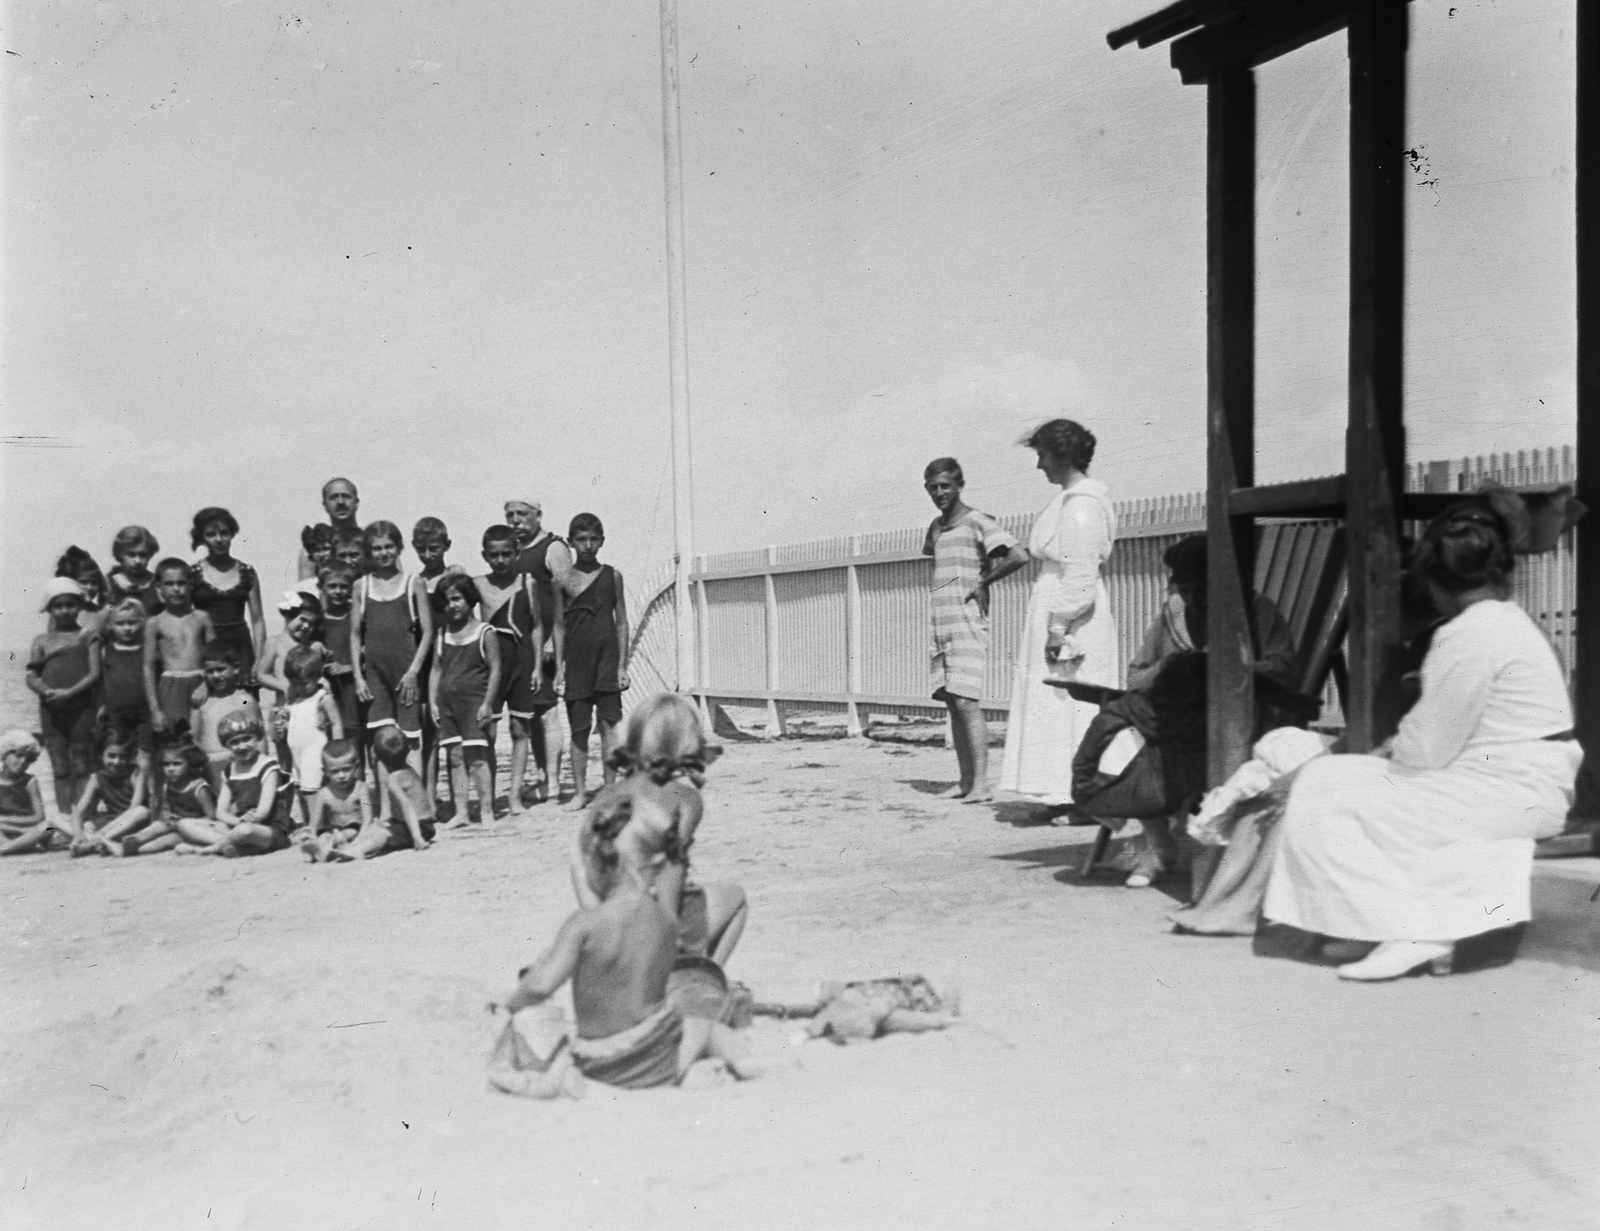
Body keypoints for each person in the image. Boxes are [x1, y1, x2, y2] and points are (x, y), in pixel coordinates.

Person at [1259, 501, 1584, 981]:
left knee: (1324, 786)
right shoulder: (1506, 621)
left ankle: (1416, 931)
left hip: (1509, 790)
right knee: (1345, 780)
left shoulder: (1469, 634)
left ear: (1433, 583)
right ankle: (1387, 923)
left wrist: (1382, 753)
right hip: (1520, 783)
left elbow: (1427, 748)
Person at [497, 794, 758, 1095]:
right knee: (708, 1029)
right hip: (654, 1064)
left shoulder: (583, 923)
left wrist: (511, 1001)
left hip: (597, 1062)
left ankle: (566, 1078)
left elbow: (540, 987)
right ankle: (745, 1063)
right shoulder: (661, 920)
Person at [572, 693, 746, 964]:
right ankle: (702, 976)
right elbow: (671, 868)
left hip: (611, 915)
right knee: (736, 898)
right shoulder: (685, 799)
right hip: (653, 921)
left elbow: (582, 865)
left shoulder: (607, 795)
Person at [999, 419, 1118, 810]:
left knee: (1073, 703)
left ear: (1063, 455)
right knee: (1055, 706)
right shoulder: (1069, 500)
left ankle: (1084, 799)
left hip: (1073, 620)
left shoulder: (1082, 505)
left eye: (1043, 455)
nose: (1039, 465)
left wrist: (1058, 625)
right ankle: (1063, 795)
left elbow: (1080, 573)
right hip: (1057, 608)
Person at [920, 457, 1029, 802]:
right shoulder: (936, 528)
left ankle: (982, 784)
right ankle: (966, 781)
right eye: (933, 487)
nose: (939, 493)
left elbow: (1018, 556)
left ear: (959, 485)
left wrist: (984, 580)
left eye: (945, 486)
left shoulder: (978, 520)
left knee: (967, 700)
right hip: (942, 621)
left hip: (968, 619)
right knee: (952, 701)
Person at [351, 521, 432, 803]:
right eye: (377, 548)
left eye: (388, 547)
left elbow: (428, 632)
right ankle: (387, 809)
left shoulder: (413, 583)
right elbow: (354, 634)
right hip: (374, 674)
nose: (384, 553)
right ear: (369, 553)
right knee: (381, 740)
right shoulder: (361, 586)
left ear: (398, 548)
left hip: (405, 672)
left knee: (411, 739)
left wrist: (413, 672)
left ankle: (418, 804)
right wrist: (359, 678)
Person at [554, 513, 629, 811]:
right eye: (581, 540)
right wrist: (559, 667)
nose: (587, 546)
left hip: (607, 662)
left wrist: (622, 665)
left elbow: (621, 622)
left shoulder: (613, 576)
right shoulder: (562, 580)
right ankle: (580, 792)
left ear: (602, 541)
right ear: (571, 542)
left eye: (593, 539)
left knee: (610, 726)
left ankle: (610, 790)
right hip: (577, 664)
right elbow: (558, 626)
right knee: (579, 729)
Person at [505, 498, 572, 802]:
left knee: (547, 713)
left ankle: (555, 781)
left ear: (538, 515)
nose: (515, 521)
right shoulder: (513, 550)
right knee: (529, 715)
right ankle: (544, 778)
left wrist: (552, 644)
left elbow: (570, 597)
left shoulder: (553, 548)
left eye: (522, 514)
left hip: (546, 647)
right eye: (510, 516)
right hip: (523, 648)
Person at [476, 524, 542, 814]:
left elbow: (538, 626)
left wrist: (538, 666)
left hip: (521, 663)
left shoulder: (528, 582)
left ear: (517, 553)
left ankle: (514, 795)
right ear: (485, 555)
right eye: (494, 555)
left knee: (519, 728)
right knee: (487, 731)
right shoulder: (477, 584)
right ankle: (488, 798)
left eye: (506, 554)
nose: (500, 561)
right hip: (491, 665)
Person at [430, 573, 503, 827]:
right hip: (448, 706)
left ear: (469, 599)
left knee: (478, 758)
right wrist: (433, 702)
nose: (452, 605)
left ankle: (486, 810)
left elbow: (495, 669)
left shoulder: (485, 632)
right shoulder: (442, 634)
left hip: (474, 704)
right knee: (455, 758)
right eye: (447, 601)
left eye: (457, 598)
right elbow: (436, 670)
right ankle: (461, 811)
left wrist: (487, 704)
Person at [27, 577, 102, 815]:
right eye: (58, 606)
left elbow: (94, 674)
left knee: (82, 767)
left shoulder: (88, 636)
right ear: (49, 609)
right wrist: (48, 692)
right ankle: (64, 820)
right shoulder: (41, 641)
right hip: (52, 711)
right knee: (60, 768)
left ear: (79, 606)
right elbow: (31, 676)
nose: (65, 610)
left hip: (81, 710)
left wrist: (69, 693)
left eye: (70, 604)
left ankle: (84, 817)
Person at [175, 711, 291, 856]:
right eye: (234, 742)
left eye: (246, 739)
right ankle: (234, 846)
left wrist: (244, 823)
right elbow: (221, 811)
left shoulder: (268, 766)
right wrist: (237, 820)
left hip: (268, 829)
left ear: (257, 737)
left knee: (246, 831)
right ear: (227, 745)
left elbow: (263, 811)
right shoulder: (230, 771)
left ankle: (208, 849)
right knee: (185, 824)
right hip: (239, 824)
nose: (241, 746)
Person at [330, 726, 434, 859]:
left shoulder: (394, 779)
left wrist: (417, 837)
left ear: (373, 752)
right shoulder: (409, 771)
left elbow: (407, 805)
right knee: (376, 827)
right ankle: (349, 847)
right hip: (412, 823)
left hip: (421, 827)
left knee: (382, 833)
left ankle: (359, 850)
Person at [189, 507, 265, 682]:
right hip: (208, 646)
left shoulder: (247, 572)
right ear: (202, 538)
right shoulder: (193, 573)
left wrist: (259, 660)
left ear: (232, 535)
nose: (218, 540)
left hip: (241, 647)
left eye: (224, 533)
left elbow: (258, 620)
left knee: (245, 699)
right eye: (211, 534)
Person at [97, 740, 212, 857]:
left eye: (177, 764)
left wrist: (185, 823)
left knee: (163, 842)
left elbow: (211, 817)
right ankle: (134, 840)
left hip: (189, 830)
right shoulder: (167, 786)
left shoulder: (199, 788)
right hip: (171, 826)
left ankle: (125, 848)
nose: (170, 768)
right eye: (166, 764)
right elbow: (165, 809)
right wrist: (166, 815)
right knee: (158, 825)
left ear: (191, 765)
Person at [142, 560, 215, 739]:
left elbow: (215, 655)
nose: (176, 589)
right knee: (175, 742)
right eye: (170, 584)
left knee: (203, 738)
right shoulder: (154, 623)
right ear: (159, 587)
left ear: (191, 585)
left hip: (200, 682)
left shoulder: (202, 618)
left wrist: (207, 685)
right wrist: (155, 710)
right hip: (171, 686)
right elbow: (148, 667)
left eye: (181, 583)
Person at [279, 645, 344, 825]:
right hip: (297, 754)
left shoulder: (322, 698)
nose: (299, 688)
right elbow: (291, 719)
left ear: (317, 677)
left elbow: (337, 723)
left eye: (303, 683)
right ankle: (309, 825)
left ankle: (318, 827)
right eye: (294, 683)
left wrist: (337, 749)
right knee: (300, 789)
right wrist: (284, 721)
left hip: (314, 752)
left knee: (312, 791)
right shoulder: (294, 697)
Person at [190, 644, 264, 789]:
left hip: (239, 763)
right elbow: (194, 738)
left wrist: (261, 769)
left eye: (221, 669)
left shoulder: (244, 700)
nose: (216, 675)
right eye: (210, 671)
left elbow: (259, 737)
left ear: (236, 668)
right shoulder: (202, 702)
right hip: (209, 766)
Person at [68, 730, 149, 855]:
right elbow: (79, 810)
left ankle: (94, 843)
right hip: (110, 825)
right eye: (111, 756)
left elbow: (134, 808)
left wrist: (102, 832)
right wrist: (78, 834)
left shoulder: (136, 773)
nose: (116, 762)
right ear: (101, 755)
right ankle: (93, 841)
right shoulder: (97, 778)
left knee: (142, 812)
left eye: (123, 757)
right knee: (56, 819)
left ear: (130, 757)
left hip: (131, 825)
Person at [98, 598, 154, 770]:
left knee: (145, 757)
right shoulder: (105, 649)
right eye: (120, 623)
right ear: (110, 626)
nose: (127, 628)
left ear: (143, 622)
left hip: (145, 712)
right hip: (115, 712)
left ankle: (148, 795)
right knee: (119, 756)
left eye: (132, 623)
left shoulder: (148, 649)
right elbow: (101, 681)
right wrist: (100, 707)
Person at [317, 563, 362, 767]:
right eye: (332, 586)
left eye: (343, 586)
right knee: (327, 737)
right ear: (323, 588)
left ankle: (361, 792)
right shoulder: (318, 621)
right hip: (326, 688)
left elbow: (370, 650)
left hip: (351, 687)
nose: (338, 591)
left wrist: (349, 667)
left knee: (354, 739)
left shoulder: (356, 615)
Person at [300, 740, 374, 862]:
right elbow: (314, 821)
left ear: (356, 766)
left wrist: (361, 837)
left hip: (356, 831)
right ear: (325, 772)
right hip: (331, 830)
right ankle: (317, 848)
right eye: (335, 771)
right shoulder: (323, 793)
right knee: (324, 835)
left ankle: (328, 848)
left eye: (346, 769)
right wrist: (311, 833)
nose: (341, 775)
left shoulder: (361, 789)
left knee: (350, 832)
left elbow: (367, 818)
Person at [0, 731, 66, 856]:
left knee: (49, 826)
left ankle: (7, 848)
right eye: (19, 756)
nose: (23, 762)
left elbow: (38, 817)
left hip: (32, 829)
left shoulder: (30, 781)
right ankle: (24, 845)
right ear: (4, 754)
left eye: (29, 759)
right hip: (5, 829)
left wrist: (10, 820)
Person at [256, 590, 325, 705]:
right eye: (303, 619)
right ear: (288, 615)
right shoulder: (274, 643)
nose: (306, 626)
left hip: (309, 705)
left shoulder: (313, 647)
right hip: (285, 704)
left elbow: (318, 676)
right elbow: (262, 675)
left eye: (311, 624)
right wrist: (284, 686)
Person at [298, 477, 363, 580]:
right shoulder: (313, 548)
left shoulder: (371, 542)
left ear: (357, 503)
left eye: (346, 496)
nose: (340, 502)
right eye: (334, 497)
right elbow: (304, 590)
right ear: (325, 505)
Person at [106, 525, 164, 616]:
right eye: (131, 555)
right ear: (120, 554)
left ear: (150, 555)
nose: (137, 561)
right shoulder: (108, 584)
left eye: (143, 555)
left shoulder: (157, 583)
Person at [54, 546, 108, 637]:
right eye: (83, 582)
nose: (89, 587)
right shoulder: (60, 612)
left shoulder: (102, 613)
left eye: (94, 582)